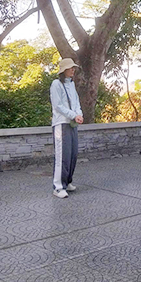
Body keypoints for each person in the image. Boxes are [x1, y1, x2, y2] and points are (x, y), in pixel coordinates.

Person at [50, 58, 84, 198]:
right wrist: (73, 115)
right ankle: (58, 187)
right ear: (63, 70)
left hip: (72, 123)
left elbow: (76, 102)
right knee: (62, 156)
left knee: (72, 154)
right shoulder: (56, 84)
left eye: (73, 67)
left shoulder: (71, 84)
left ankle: (67, 181)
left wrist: (79, 114)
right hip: (61, 124)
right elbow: (58, 105)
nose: (73, 70)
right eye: (70, 68)